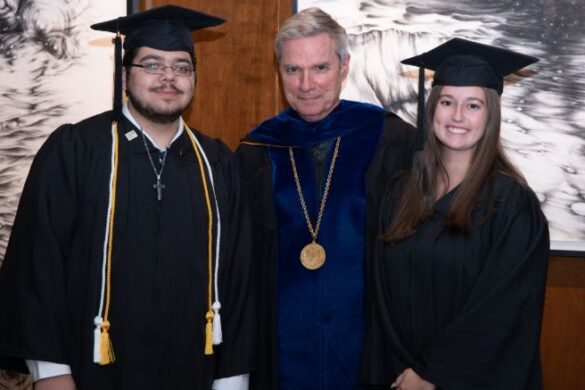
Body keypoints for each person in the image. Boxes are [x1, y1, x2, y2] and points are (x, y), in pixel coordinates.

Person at [0, 5, 254, 390]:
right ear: (124, 75)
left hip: (193, 375)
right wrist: (51, 373)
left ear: (194, 79)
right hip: (89, 375)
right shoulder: (76, 150)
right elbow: (39, 265)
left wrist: (231, 381)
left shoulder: (217, 164)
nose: (168, 77)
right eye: (151, 64)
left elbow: (239, 280)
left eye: (182, 66)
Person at [236, 7, 414, 390]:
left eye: (319, 68)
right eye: (292, 70)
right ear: (278, 70)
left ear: (344, 66)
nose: (306, 84)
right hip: (279, 346)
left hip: (366, 346)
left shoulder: (390, 140)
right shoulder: (256, 150)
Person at [360, 38, 550, 389]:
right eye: (447, 102)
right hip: (399, 377)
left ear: (491, 114)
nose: (458, 116)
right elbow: (382, 298)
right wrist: (404, 372)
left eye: (473, 105)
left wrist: (432, 375)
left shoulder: (511, 207)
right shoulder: (400, 193)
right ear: (432, 109)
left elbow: (502, 313)